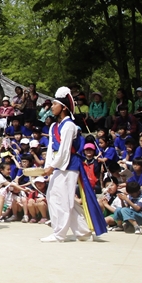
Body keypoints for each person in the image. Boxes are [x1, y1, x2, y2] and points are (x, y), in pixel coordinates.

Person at [42, 87, 108, 242]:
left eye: (55, 104)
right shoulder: (54, 126)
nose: (52, 107)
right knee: (54, 196)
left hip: (69, 165)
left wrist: (52, 167)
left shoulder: (69, 126)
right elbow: (51, 148)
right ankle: (83, 232)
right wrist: (47, 166)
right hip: (58, 165)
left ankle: (59, 234)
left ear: (64, 107)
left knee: (63, 199)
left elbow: (65, 150)